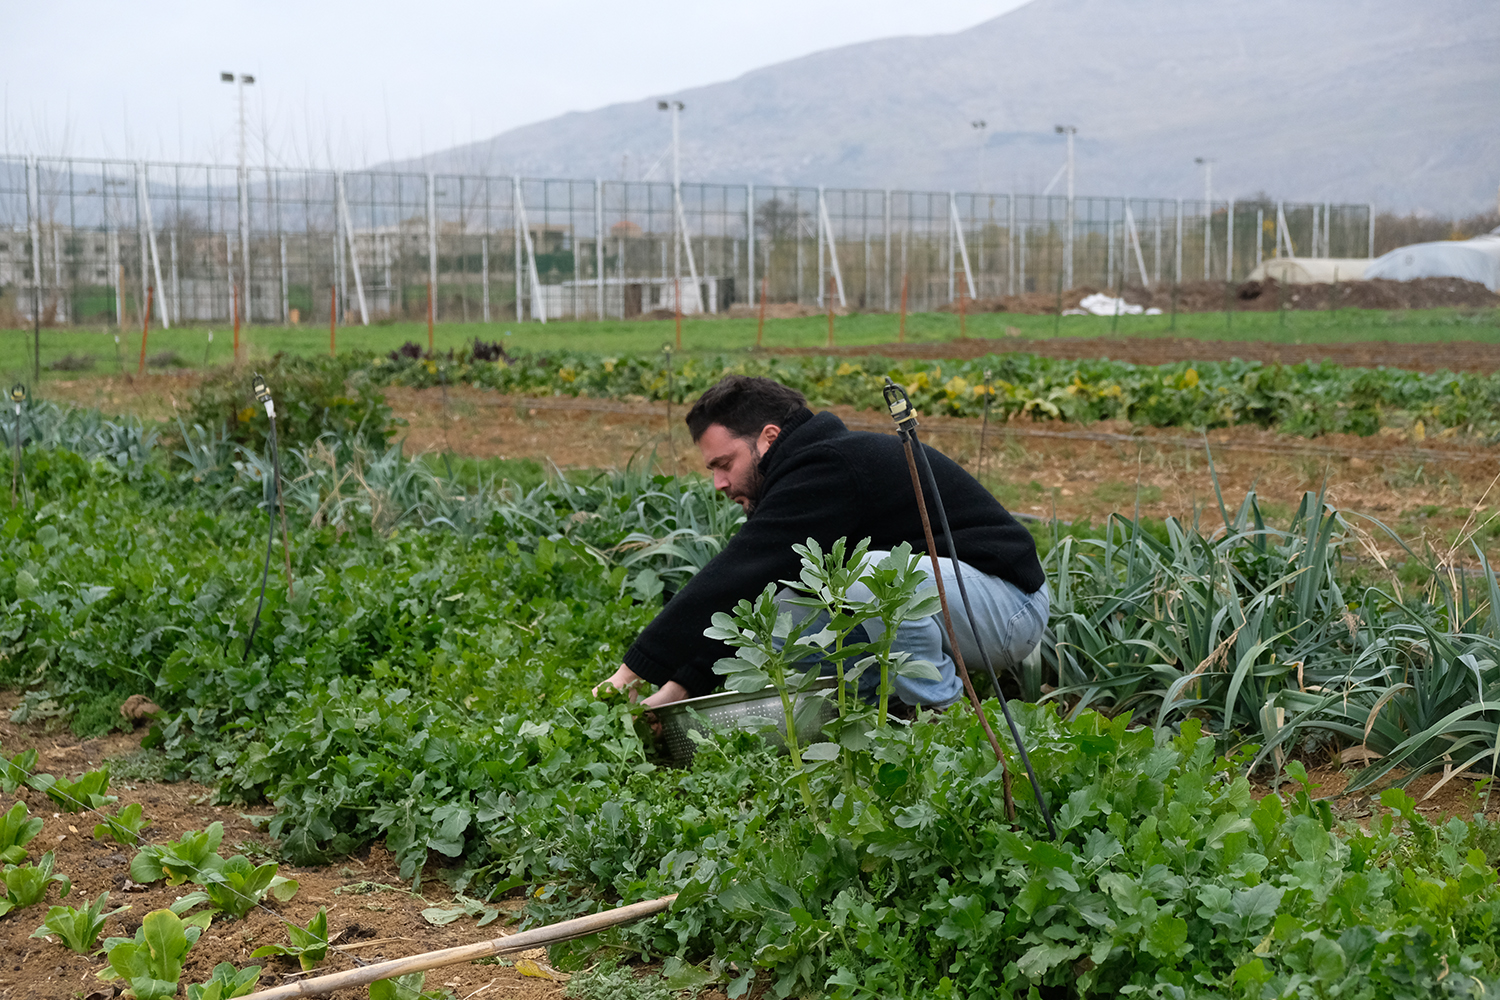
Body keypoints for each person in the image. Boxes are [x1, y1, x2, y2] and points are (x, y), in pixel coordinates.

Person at [597, 375, 1048, 709]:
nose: (718, 482)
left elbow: (734, 572)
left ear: (768, 438)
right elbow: (753, 586)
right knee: (775, 618)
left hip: (1008, 606)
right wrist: (676, 691)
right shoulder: (806, 474)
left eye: (724, 463)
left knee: (875, 574)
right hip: (953, 605)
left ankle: (943, 717)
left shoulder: (831, 467)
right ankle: (878, 705)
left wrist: (630, 673)